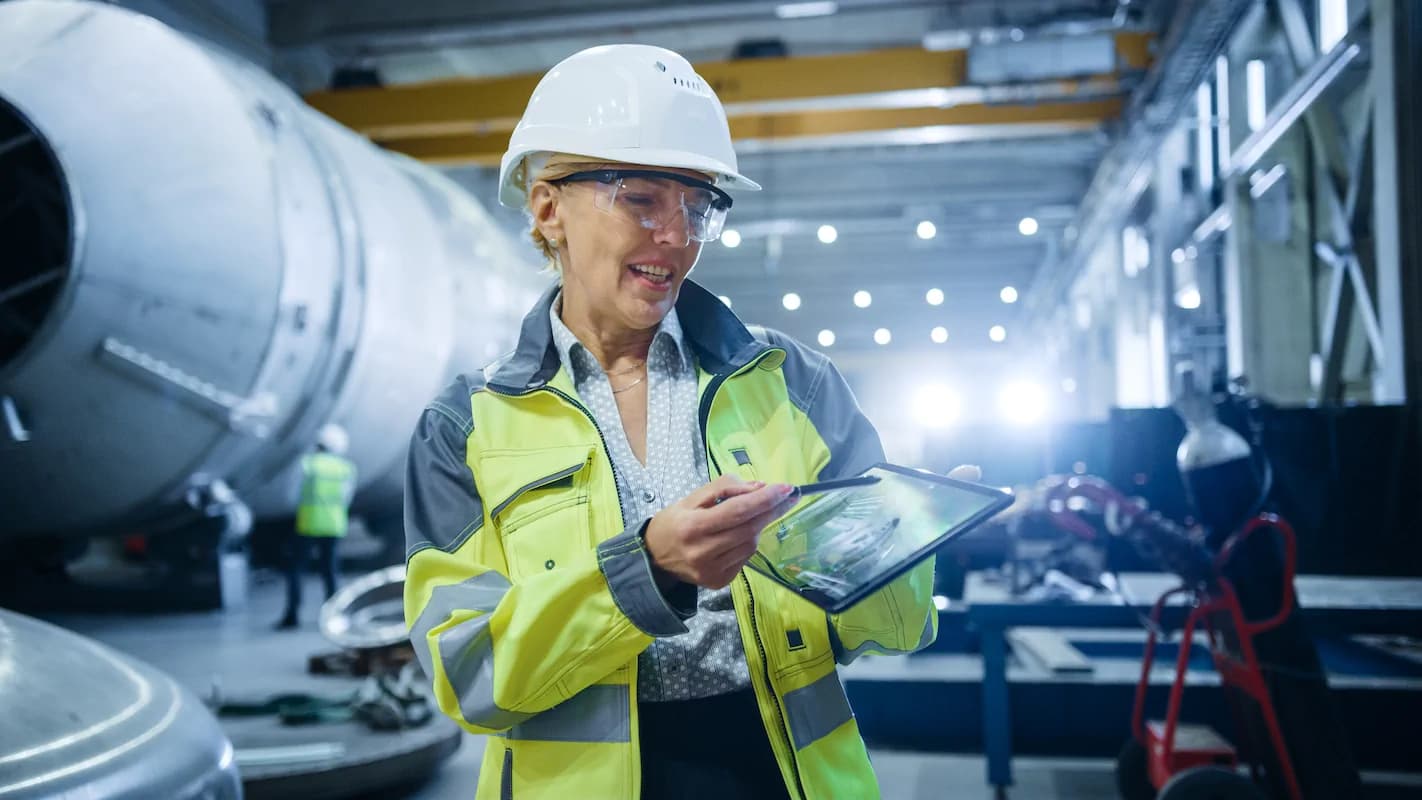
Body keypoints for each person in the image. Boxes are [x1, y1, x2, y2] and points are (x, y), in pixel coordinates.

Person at [403, 44, 966, 799]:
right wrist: (650, 570)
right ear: (548, 207)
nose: (678, 236)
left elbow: (893, 631)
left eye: (697, 206)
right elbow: (467, 677)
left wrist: (904, 544)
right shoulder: (463, 429)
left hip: (783, 778)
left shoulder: (791, 383)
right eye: (641, 199)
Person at [276, 423, 357, 630]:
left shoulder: (308, 464)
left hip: (308, 523)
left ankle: (291, 615)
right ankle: (333, 615)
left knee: (296, 570)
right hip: (333, 525)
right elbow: (347, 498)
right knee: (329, 571)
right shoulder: (345, 468)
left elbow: (290, 495)